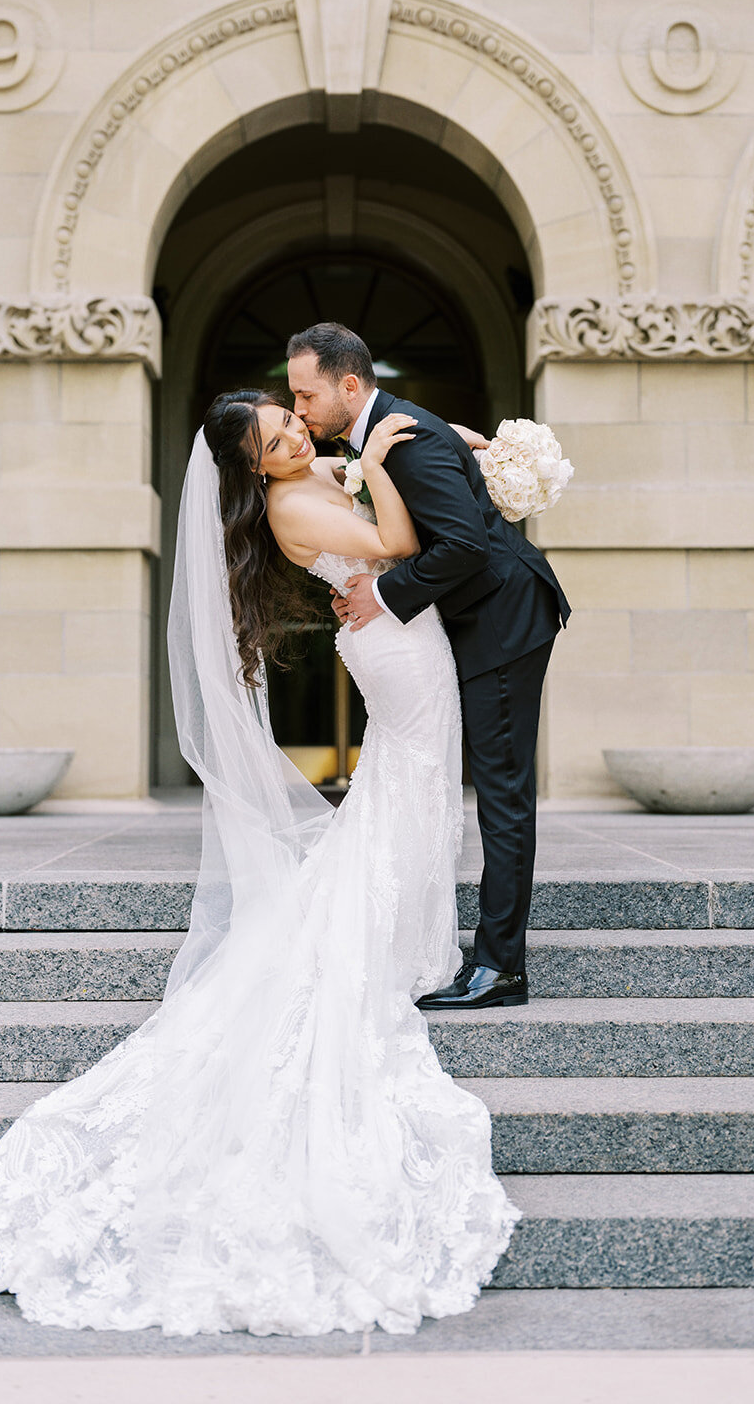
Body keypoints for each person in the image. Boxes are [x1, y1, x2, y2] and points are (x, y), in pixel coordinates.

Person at [0, 380, 518, 1336]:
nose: (297, 436)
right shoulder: (296, 499)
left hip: (399, 642)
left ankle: (415, 936)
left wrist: (441, 445)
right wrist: (373, 468)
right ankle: (400, 943)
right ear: (254, 466)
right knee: (402, 787)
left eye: (293, 421)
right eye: (277, 437)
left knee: (405, 791)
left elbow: (380, 482)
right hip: (395, 647)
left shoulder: (311, 474)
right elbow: (403, 547)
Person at [287, 322, 569, 1009]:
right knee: (497, 788)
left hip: (503, 621)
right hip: (484, 620)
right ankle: (491, 956)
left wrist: (382, 592)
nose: (299, 411)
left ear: (348, 385)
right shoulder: (386, 432)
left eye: (305, 396)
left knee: (503, 794)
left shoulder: (402, 434)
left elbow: (466, 546)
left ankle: (501, 967)